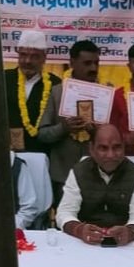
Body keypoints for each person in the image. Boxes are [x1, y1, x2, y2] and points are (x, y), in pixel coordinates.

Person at [56, 124, 134, 246]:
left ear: (124, 147)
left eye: (117, 147)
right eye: (103, 148)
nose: (111, 155)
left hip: (123, 244)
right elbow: (64, 213)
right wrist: (79, 230)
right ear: (91, 149)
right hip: (84, 242)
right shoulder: (79, 172)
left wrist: (130, 232)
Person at [39, 40, 101, 203]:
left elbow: (115, 136)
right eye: (87, 63)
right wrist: (63, 128)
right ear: (72, 63)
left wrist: (97, 132)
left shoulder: (105, 93)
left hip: (98, 175)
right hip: (63, 176)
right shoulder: (56, 93)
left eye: (96, 63)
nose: (93, 68)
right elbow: (42, 134)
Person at [5, 30, 61, 154]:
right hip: (6, 153)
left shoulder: (55, 84)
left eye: (34, 56)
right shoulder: (3, 79)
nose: (27, 61)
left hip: (43, 153)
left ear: (44, 58)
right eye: (23, 55)